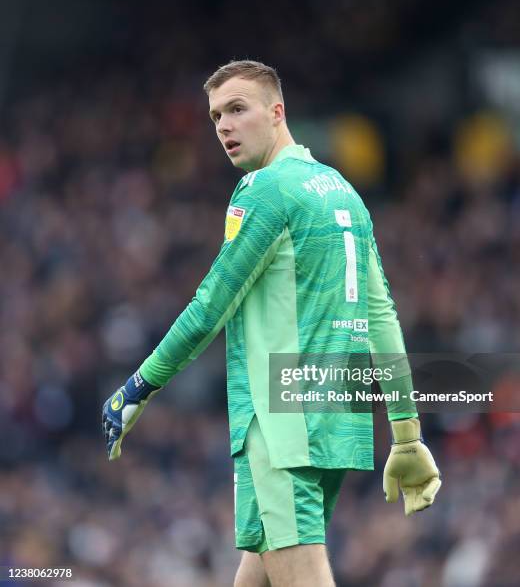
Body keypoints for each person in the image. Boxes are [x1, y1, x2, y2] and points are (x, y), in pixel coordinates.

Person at [102, 60, 441, 587]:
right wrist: (405, 434)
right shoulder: (342, 191)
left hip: (282, 423)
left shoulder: (265, 191)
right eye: (216, 116)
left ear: (277, 112)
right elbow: (380, 316)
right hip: (334, 417)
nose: (224, 126)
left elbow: (210, 306)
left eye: (238, 109)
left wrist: (139, 386)